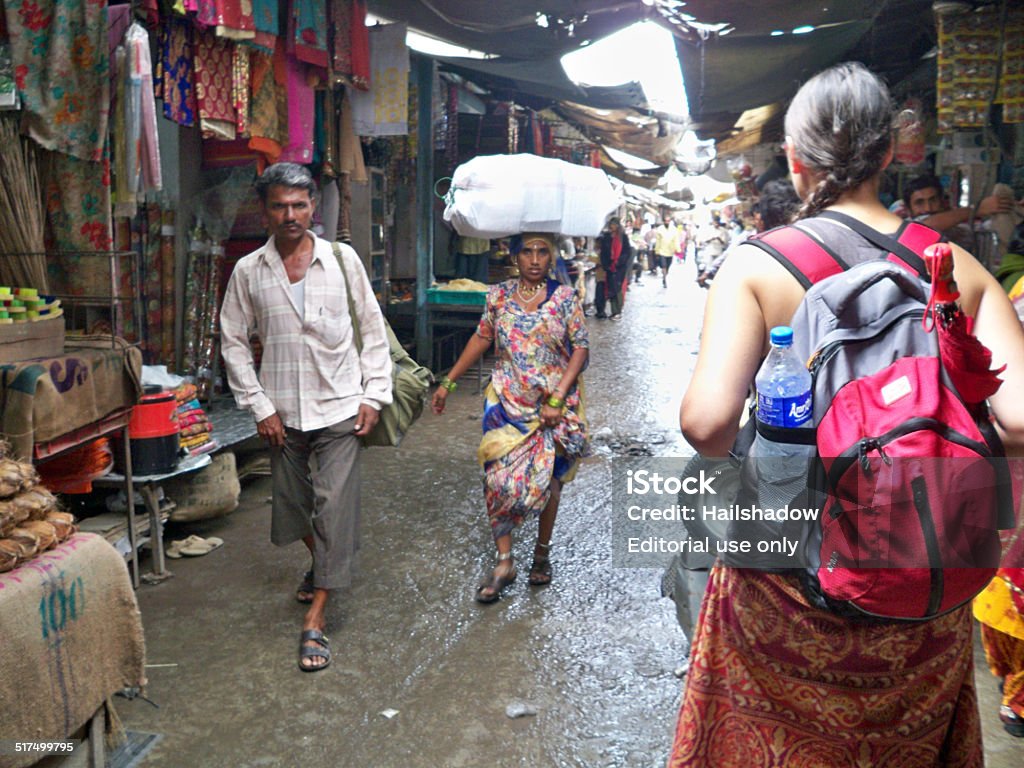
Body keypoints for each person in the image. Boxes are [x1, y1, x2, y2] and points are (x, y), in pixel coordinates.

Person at [671, 62, 1024, 766]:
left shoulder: (758, 264)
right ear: (890, 154)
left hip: (788, 581)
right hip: (925, 567)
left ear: (796, 161)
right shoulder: (953, 264)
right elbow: (1019, 422)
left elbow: (707, 426)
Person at [220, 162, 393, 672]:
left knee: (334, 506)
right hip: (283, 413)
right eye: (279, 205)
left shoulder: (342, 261)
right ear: (265, 210)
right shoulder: (249, 271)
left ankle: (316, 615)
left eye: (299, 205)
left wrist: (373, 395)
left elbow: (372, 329)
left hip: (341, 406)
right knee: (295, 507)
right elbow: (231, 341)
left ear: (313, 207)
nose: (290, 215)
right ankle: (323, 561)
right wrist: (259, 404)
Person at [431, 233, 590, 603]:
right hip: (506, 400)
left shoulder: (565, 298)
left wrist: (556, 397)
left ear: (551, 257)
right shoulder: (498, 295)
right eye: (527, 251)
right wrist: (448, 383)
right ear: (514, 256)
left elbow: (580, 349)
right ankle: (504, 562)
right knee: (497, 478)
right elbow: (482, 337)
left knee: (549, 482)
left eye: (542, 251)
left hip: (553, 406)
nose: (535, 259)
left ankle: (542, 552)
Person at [697, 179, 800, 287]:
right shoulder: (749, 238)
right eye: (755, 218)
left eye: (759, 217)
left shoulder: (764, 241)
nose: (757, 221)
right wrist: (708, 272)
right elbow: (728, 254)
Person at [903, 173, 1015, 251]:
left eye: (933, 200)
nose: (928, 208)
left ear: (943, 202)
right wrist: (978, 209)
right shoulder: (904, 230)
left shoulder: (960, 231)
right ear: (909, 209)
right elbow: (925, 225)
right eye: (919, 203)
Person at [595, 216, 632, 320]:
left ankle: (617, 311)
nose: (612, 227)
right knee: (611, 288)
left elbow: (626, 251)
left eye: (614, 225)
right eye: (611, 225)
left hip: (619, 267)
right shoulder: (606, 237)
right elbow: (603, 251)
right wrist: (606, 264)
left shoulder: (623, 237)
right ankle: (613, 311)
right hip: (609, 267)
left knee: (617, 288)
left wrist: (620, 262)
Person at [652, 215, 680, 287]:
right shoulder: (660, 229)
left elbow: (676, 240)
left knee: (667, 266)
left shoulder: (674, 229)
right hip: (662, 251)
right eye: (666, 221)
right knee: (663, 266)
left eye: (668, 221)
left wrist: (678, 248)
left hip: (670, 251)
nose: (667, 222)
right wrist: (657, 250)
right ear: (663, 221)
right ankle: (664, 278)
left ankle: (665, 276)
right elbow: (658, 241)